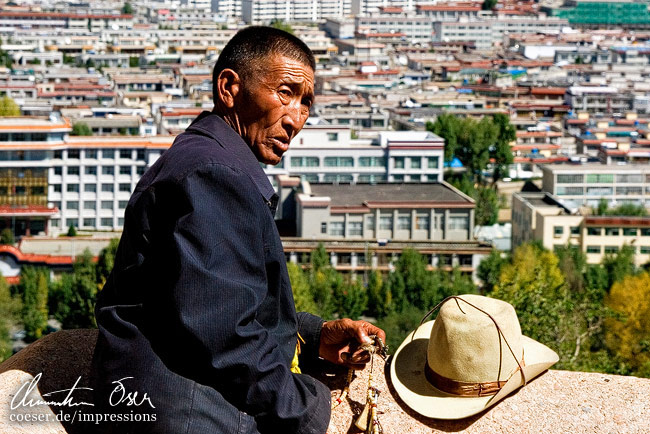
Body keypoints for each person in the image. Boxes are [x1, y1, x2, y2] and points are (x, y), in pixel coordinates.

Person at [90, 26, 385, 434]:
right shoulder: (215, 174)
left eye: (306, 103)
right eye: (285, 92)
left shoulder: (206, 159)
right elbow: (226, 333)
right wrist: (312, 411)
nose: (295, 119)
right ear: (229, 87)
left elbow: (210, 298)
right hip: (188, 415)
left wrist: (314, 336)